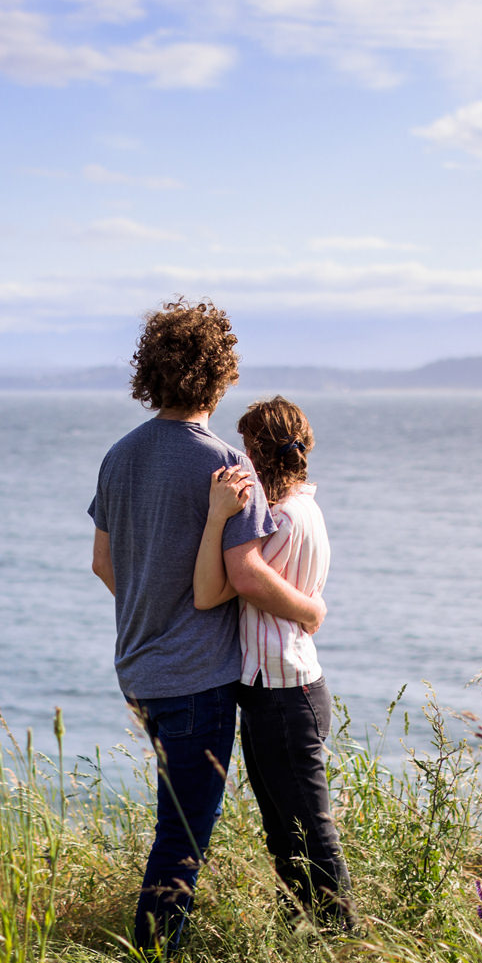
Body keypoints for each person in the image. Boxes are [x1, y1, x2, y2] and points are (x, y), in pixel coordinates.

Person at [89, 299, 325, 959]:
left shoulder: (117, 456)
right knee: (184, 835)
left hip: (138, 671)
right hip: (198, 678)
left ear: (150, 372)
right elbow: (241, 577)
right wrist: (309, 612)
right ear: (220, 376)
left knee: (178, 822)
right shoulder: (227, 466)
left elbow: (103, 564)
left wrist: (155, 606)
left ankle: (155, 959)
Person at [192, 396, 354, 931]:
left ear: (257, 451)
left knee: (307, 830)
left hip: (282, 690)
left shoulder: (278, 516)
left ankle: (345, 940)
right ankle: (303, 933)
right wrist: (311, 609)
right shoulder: (306, 507)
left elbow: (236, 582)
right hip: (287, 686)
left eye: (244, 446)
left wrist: (219, 518)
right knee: (286, 829)